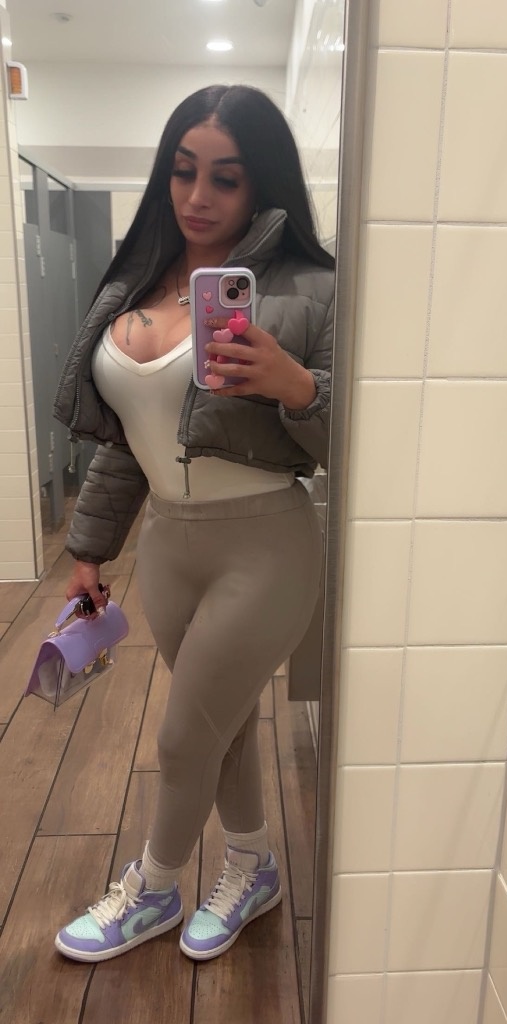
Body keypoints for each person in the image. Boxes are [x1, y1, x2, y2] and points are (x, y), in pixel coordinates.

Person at [51, 83, 334, 963]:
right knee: (226, 723)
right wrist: (89, 549)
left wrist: (297, 387)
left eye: (226, 177)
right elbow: (127, 439)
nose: (198, 196)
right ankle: (252, 865)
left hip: (266, 545)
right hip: (167, 548)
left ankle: (155, 887)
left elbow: (361, 443)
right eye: (182, 171)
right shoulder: (133, 280)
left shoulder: (314, 288)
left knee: (182, 736)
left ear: (262, 184)